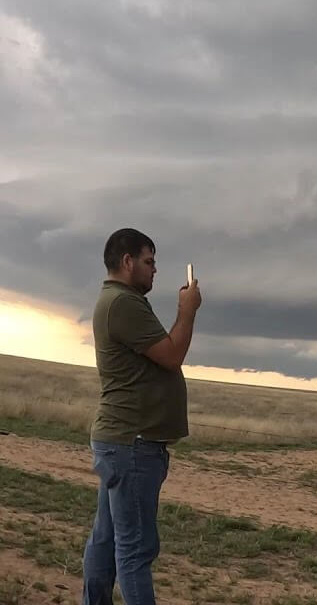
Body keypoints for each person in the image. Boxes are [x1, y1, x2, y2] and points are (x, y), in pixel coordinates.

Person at [82, 228, 201, 605]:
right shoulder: (123, 304)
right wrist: (187, 311)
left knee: (107, 540)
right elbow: (170, 354)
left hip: (123, 441)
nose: (154, 270)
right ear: (127, 261)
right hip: (133, 444)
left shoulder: (120, 301)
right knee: (135, 551)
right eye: (149, 262)